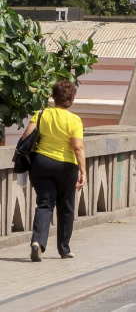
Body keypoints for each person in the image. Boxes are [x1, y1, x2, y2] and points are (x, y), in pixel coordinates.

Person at [20, 80, 85, 261]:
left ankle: (37, 243)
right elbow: (78, 147)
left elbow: (26, 136)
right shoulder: (74, 120)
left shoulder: (40, 114)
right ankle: (64, 249)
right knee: (66, 206)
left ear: (53, 97)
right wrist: (83, 172)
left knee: (45, 204)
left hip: (41, 164)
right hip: (66, 166)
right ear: (71, 99)